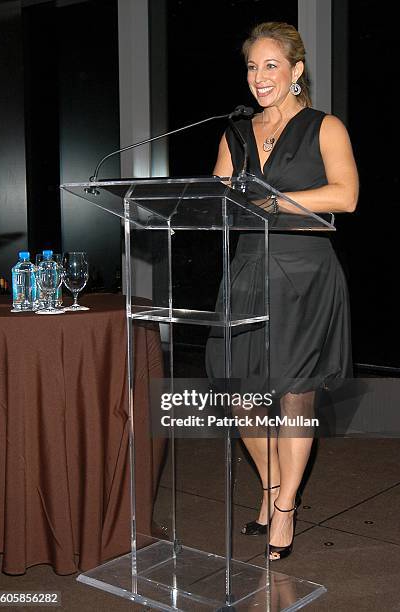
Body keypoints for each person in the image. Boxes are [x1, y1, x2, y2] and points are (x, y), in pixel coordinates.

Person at [206, 22, 358, 561]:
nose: (259, 77)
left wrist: (272, 202)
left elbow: (346, 195)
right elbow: (220, 202)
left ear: (296, 72)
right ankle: (272, 487)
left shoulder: (324, 127)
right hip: (247, 270)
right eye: (252, 66)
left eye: (271, 65)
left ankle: (286, 507)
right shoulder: (235, 133)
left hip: (305, 275)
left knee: (294, 394)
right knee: (236, 389)